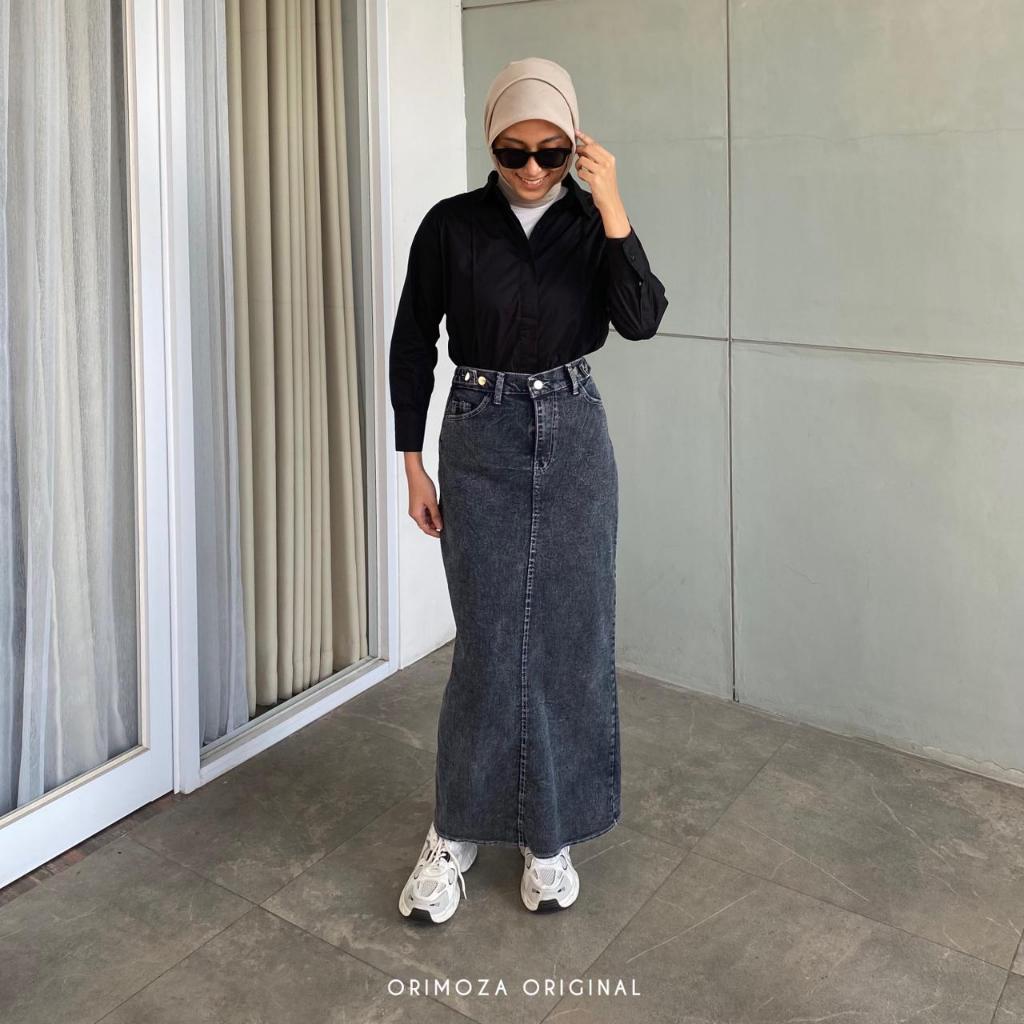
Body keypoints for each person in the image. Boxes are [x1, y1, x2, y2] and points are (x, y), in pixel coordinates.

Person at [390, 58, 669, 923]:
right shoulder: (451, 226)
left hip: (574, 430)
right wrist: (411, 461)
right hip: (479, 434)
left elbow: (642, 319)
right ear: (491, 143)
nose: (534, 169)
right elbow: (413, 341)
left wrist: (612, 204)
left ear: (573, 144)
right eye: (514, 151)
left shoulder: (591, 224)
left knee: (569, 639)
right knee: (486, 643)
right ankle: (455, 830)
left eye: (552, 151)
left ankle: (550, 834)